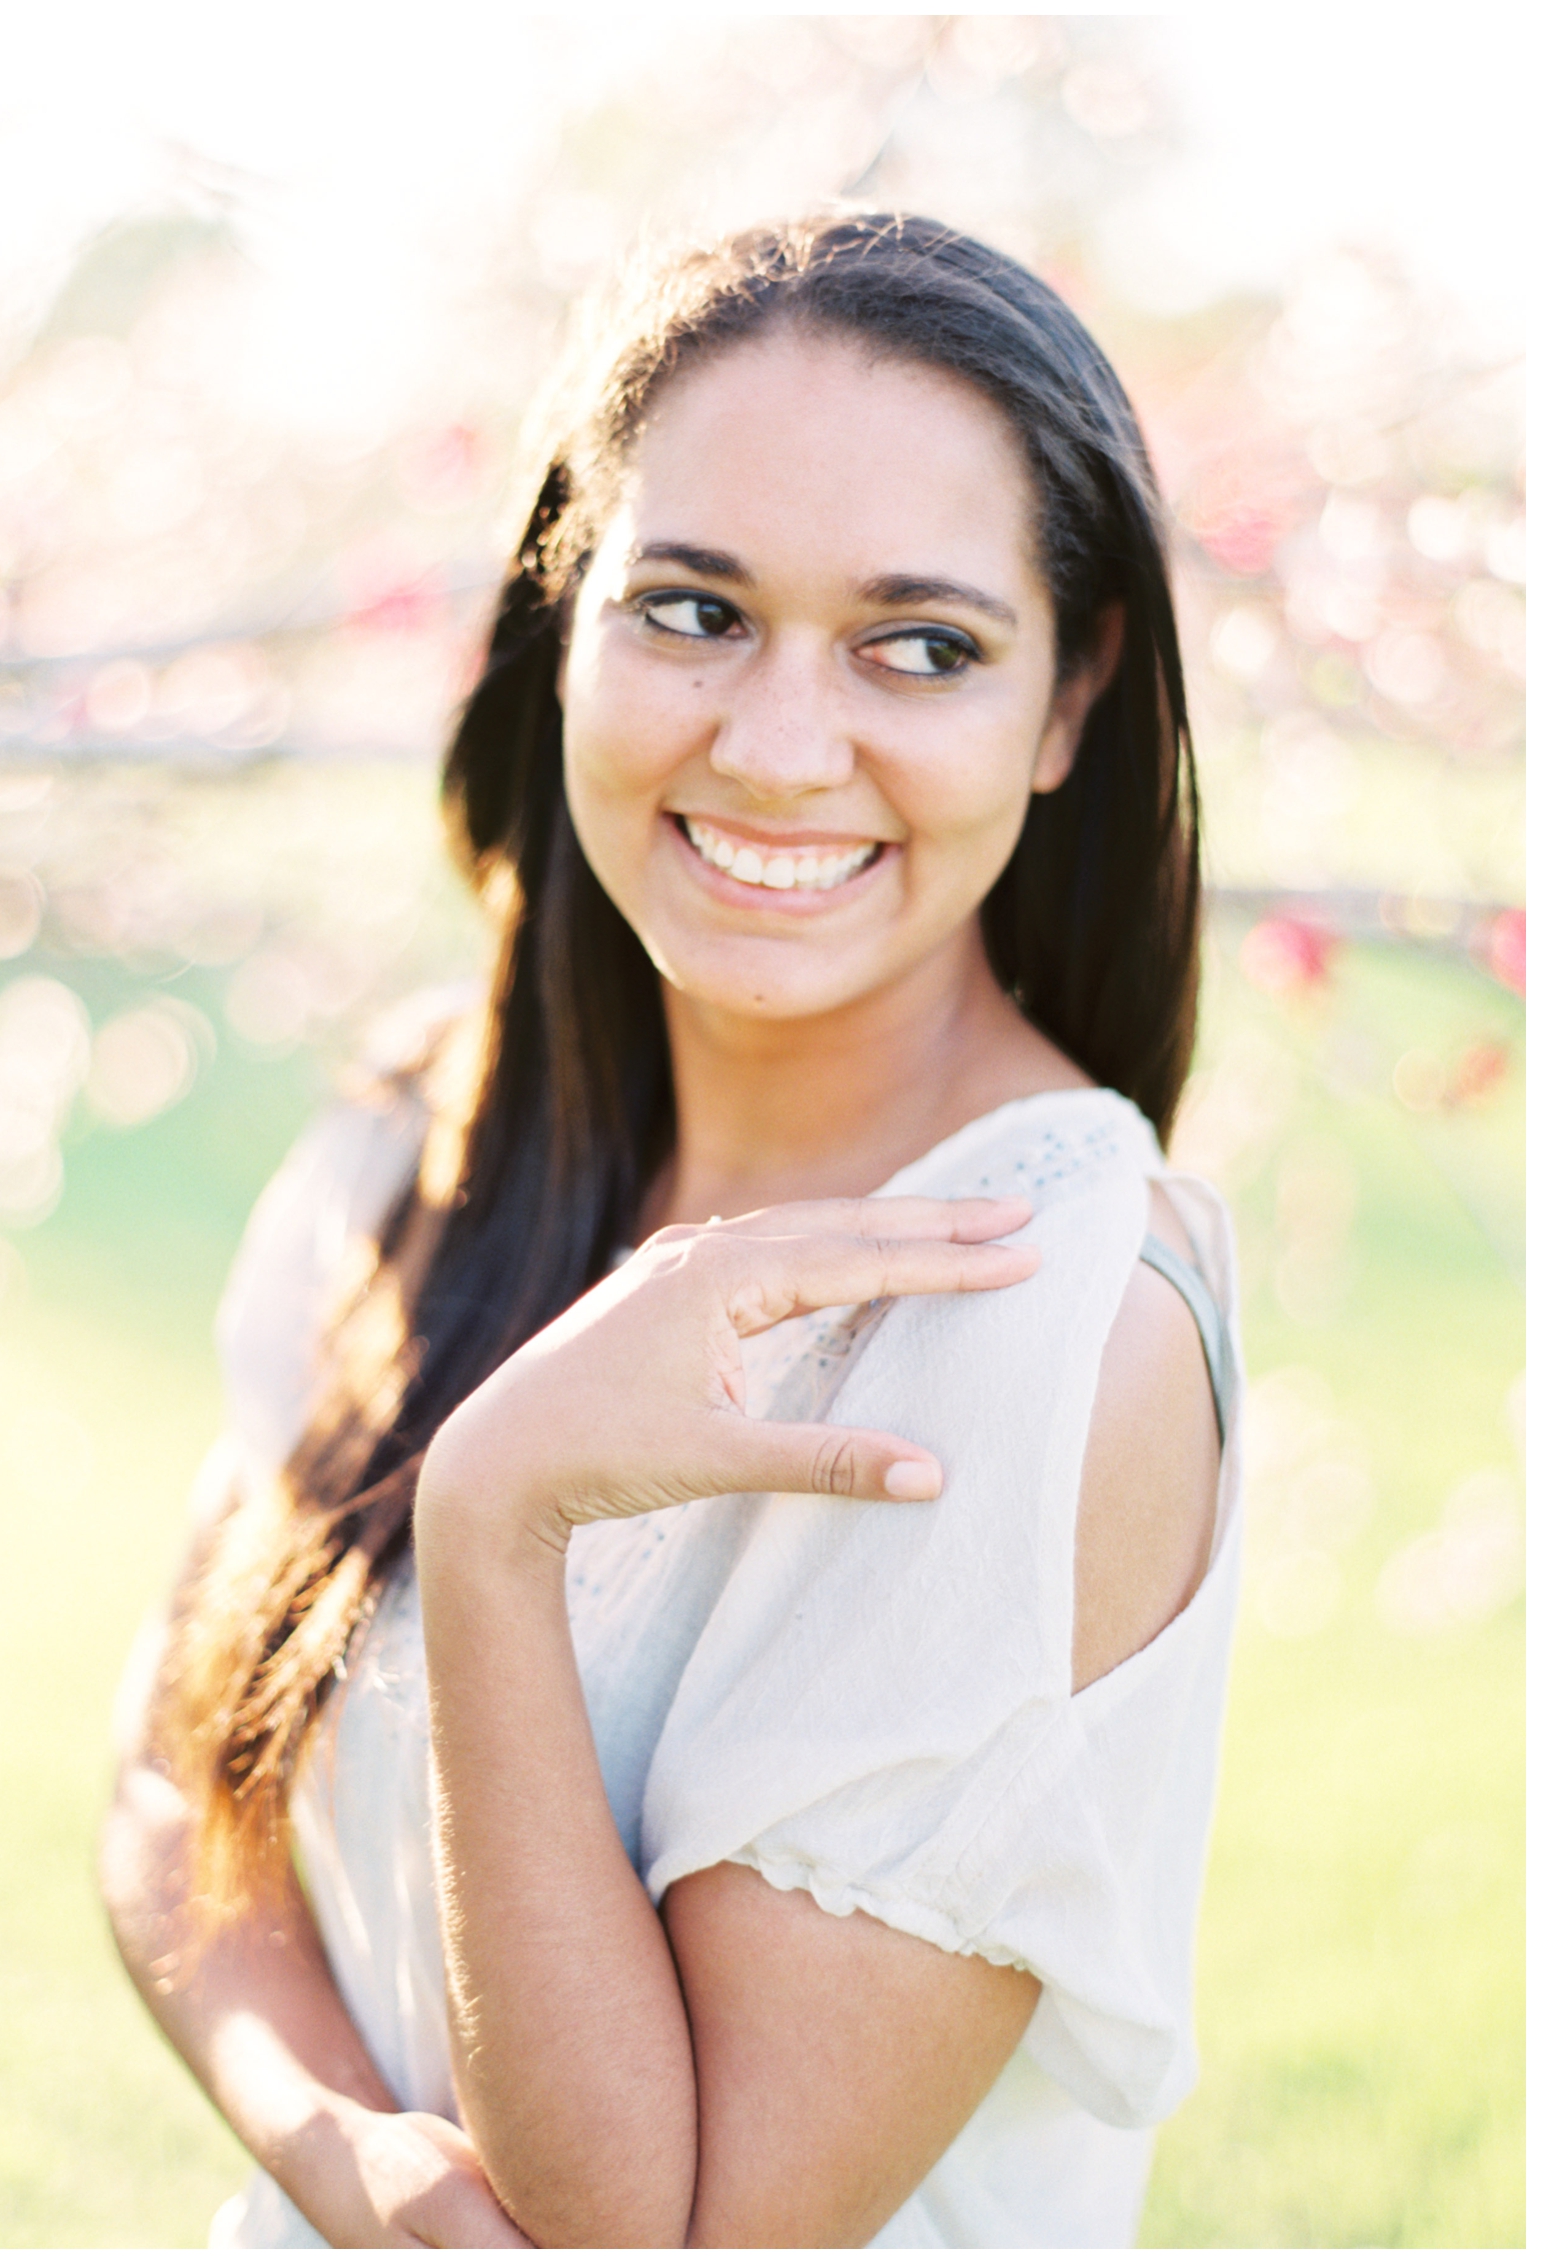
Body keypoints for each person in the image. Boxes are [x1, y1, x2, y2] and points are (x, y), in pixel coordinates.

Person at [100, 210, 1241, 2248]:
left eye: (921, 646)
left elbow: (665, 2240)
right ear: (565, 614)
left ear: (1068, 705)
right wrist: (357, 2168)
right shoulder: (418, 1144)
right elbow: (174, 1804)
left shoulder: (1057, 1319)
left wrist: (499, 1509)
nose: (780, 746)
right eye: (694, 610)